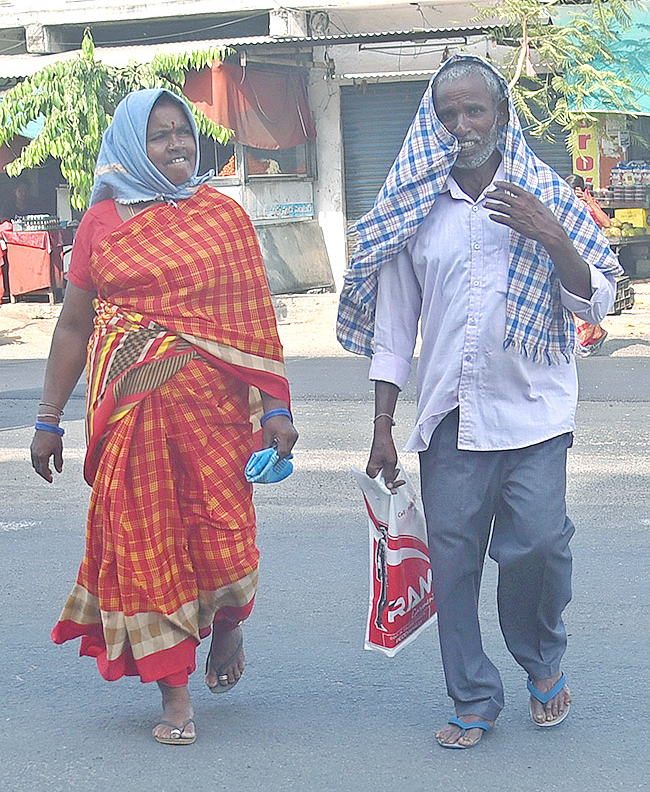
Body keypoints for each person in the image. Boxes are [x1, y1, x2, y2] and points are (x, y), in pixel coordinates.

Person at [337, 55, 622, 749]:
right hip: (450, 417)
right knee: (455, 565)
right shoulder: (415, 204)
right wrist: (382, 423)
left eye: (475, 111)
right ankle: (472, 695)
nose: (462, 125)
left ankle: (542, 660)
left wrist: (551, 234)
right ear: (432, 122)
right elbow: (396, 325)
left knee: (541, 548)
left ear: (501, 115)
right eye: (448, 113)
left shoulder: (541, 194)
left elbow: (600, 297)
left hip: (535, 413)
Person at [30, 88, 298, 746]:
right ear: (130, 147)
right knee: (148, 549)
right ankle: (174, 692)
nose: (178, 143)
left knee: (223, 542)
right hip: (130, 422)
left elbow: (252, 321)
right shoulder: (100, 223)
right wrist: (47, 417)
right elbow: (72, 327)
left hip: (215, 421)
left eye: (183, 131)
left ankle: (228, 621)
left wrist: (277, 409)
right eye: (160, 135)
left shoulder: (222, 218)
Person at [564, 173, 612, 356]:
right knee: (577, 297)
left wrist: (589, 202)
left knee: (586, 297)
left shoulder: (590, 204)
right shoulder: (566, 204)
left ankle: (588, 339)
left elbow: (606, 223)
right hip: (574, 257)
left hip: (592, 258)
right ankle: (592, 336)